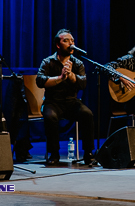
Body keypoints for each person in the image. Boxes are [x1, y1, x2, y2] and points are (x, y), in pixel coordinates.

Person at [36, 29, 96, 165]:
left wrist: (70, 75)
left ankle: (89, 153)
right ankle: (54, 153)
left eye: (72, 41)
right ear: (58, 44)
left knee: (87, 114)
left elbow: (83, 83)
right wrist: (60, 77)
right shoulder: (48, 61)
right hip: (52, 102)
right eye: (66, 41)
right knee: (50, 117)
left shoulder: (78, 63)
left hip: (71, 102)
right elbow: (40, 81)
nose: (71, 43)